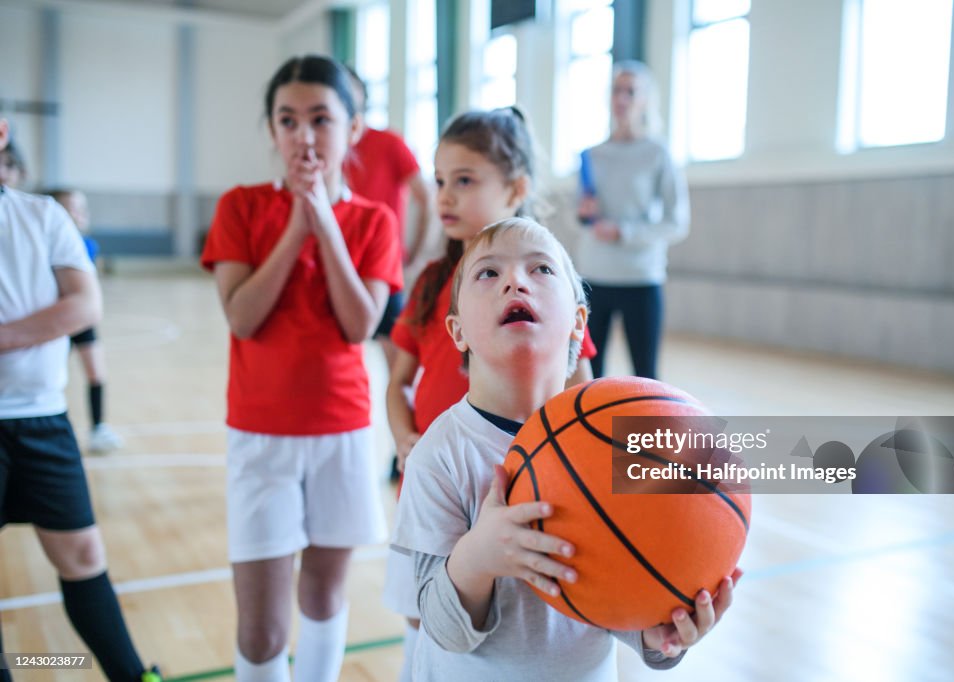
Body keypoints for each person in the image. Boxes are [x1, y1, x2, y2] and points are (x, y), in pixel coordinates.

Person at [392, 218, 739, 679]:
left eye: (541, 270)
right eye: (489, 273)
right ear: (457, 333)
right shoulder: (440, 455)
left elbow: (625, 579)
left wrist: (659, 634)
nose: (516, 280)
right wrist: (479, 556)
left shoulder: (615, 442)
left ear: (578, 323)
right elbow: (440, 628)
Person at [200, 55, 402, 682]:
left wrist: (327, 226)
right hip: (261, 435)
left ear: (354, 128)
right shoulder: (240, 207)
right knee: (261, 627)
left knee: (322, 597)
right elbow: (241, 316)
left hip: (341, 432)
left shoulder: (374, 220)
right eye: (288, 120)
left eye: (321, 119)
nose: (304, 136)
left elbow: (359, 324)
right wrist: (295, 226)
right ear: (271, 130)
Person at [382, 107, 597, 682]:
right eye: (439, 181)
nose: (445, 195)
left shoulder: (586, 444)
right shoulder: (432, 285)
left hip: (538, 452)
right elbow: (397, 382)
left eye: (465, 179)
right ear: (459, 330)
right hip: (446, 479)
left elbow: (586, 391)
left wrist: (662, 630)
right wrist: (405, 439)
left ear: (516, 188)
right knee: (427, 624)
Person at [0, 118, 161, 682]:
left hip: (42, 421)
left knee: (84, 557)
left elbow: (83, 306)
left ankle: (133, 676)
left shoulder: (41, 216)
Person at [576, 60, 690, 379]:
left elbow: (676, 221)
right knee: (589, 375)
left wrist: (623, 232)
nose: (622, 98)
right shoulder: (592, 155)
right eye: (616, 90)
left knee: (645, 376)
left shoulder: (657, 153)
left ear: (645, 100)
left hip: (641, 277)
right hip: (594, 277)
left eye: (631, 91)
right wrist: (584, 216)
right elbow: (580, 217)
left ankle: (642, 432)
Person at [341, 64, 432, 365]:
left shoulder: (390, 143)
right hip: (339, 261)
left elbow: (425, 198)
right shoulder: (329, 147)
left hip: (382, 265)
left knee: (397, 363)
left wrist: (414, 254)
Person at [45, 188, 123, 453]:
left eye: (81, 208)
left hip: (81, 319)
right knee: (53, 375)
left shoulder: (88, 245)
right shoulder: (43, 243)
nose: (78, 214)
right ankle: (49, 425)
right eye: (71, 208)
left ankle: (99, 427)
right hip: (53, 320)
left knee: (96, 372)